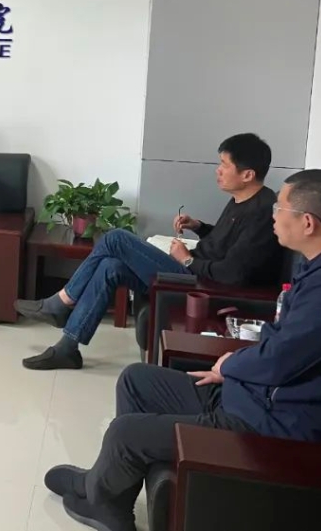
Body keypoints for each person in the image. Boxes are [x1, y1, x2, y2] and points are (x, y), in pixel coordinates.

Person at [43, 169, 321, 531]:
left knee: (125, 433)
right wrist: (233, 371)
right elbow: (285, 348)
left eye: (280, 208)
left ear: (308, 222)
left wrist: (229, 366)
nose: (274, 216)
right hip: (257, 398)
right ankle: (108, 491)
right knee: (136, 380)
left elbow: (279, 360)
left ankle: (103, 499)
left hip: (277, 425)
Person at [20, 133, 283, 370]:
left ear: (247, 175)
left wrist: (187, 260)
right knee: (111, 266)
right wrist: (199, 226)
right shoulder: (244, 200)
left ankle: (60, 302)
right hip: (198, 274)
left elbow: (233, 273)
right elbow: (228, 244)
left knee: (116, 238)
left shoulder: (261, 213)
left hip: (203, 288)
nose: (218, 170)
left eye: (224, 165)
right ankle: (68, 347)